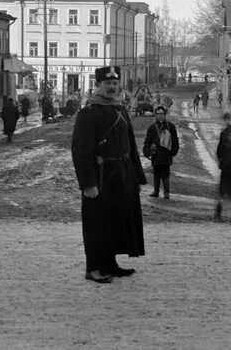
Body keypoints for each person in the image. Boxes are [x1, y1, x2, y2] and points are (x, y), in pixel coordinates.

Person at [71, 66, 147, 284]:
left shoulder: (119, 109)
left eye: (115, 83)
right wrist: (88, 183)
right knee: (97, 222)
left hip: (122, 175)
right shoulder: (90, 112)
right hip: (101, 176)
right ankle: (93, 267)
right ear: (98, 85)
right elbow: (80, 150)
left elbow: (131, 145)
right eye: (107, 84)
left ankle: (110, 264)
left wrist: (137, 177)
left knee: (114, 221)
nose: (112, 87)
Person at [143, 106, 180, 199]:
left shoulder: (170, 127)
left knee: (165, 174)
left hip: (166, 154)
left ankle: (166, 193)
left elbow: (175, 141)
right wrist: (147, 152)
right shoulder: (152, 128)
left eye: (162, 114)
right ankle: (156, 191)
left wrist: (173, 152)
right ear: (156, 115)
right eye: (158, 114)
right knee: (156, 173)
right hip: (156, 154)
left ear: (165, 115)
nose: (160, 116)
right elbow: (147, 141)